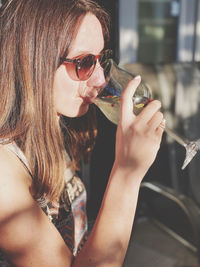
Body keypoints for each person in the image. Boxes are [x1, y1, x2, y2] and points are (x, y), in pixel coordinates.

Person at [0, 0, 164, 266]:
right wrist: (127, 172)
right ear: (33, 61)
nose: (100, 80)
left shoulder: (59, 127)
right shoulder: (4, 173)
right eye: (84, 62)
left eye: (101, 60)